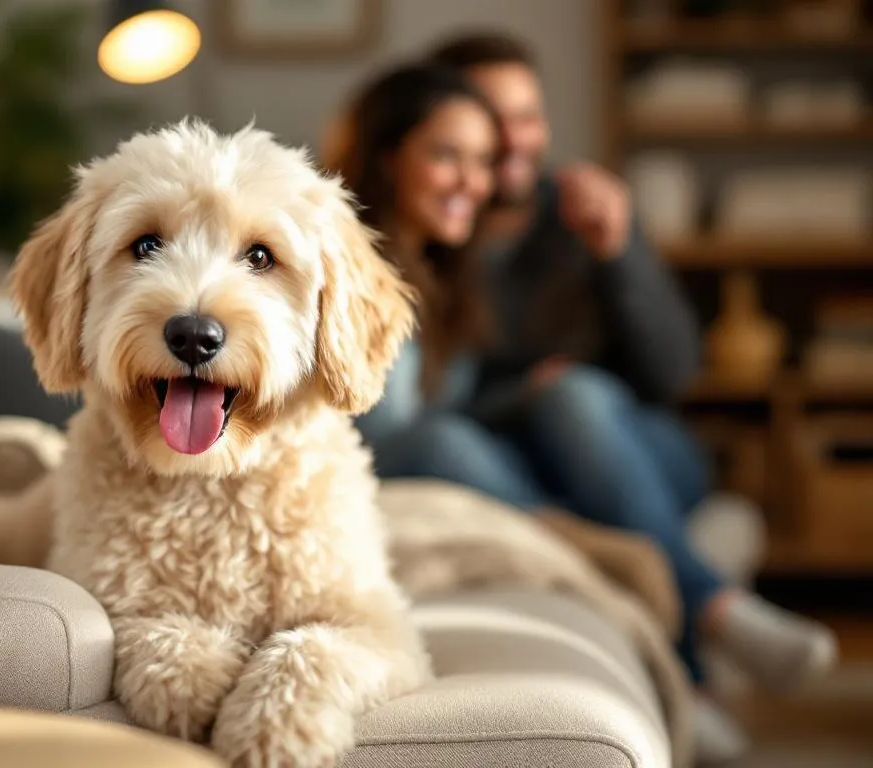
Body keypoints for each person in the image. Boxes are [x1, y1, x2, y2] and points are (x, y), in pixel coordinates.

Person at [331, 36, 838, 764]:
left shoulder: (558, 220)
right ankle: (698, 647)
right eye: (471, 138)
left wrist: (620, 252)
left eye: (522, 118)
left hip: (632, 443)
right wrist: (519, 395)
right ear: (394, 150)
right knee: (469, 433)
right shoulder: (430, 252)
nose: (501, 151)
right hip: (509, 461)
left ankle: (703, 616)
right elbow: (404, 421)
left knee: (571, 398)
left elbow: (673, 372)